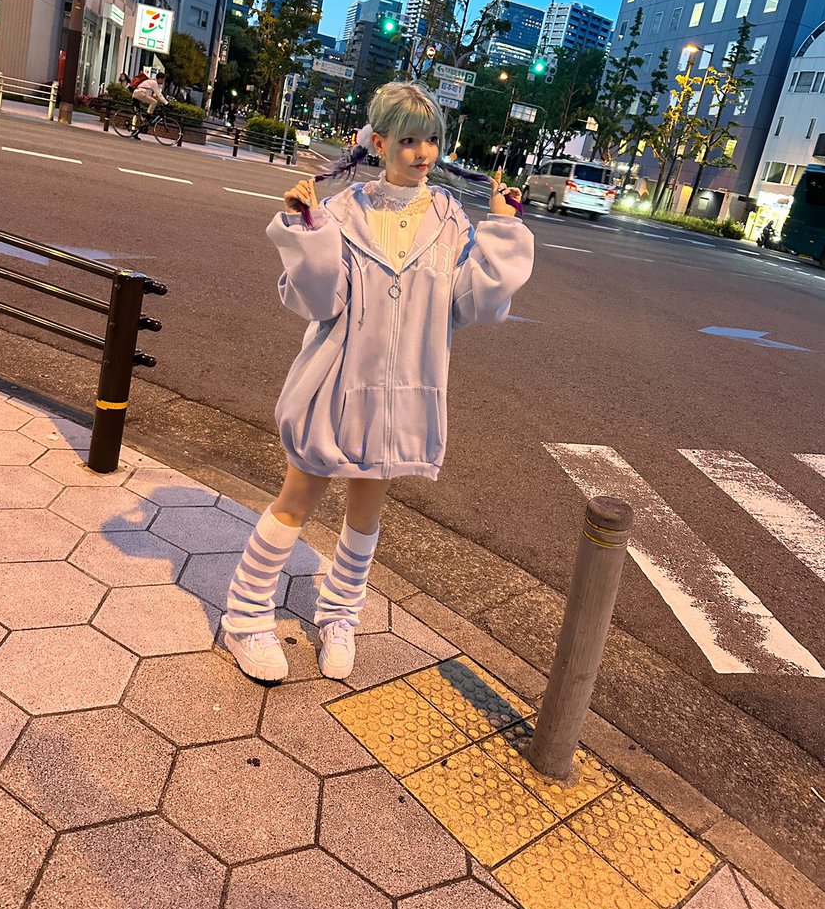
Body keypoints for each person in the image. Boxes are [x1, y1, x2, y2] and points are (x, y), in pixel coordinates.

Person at [222, 81, 534, 683]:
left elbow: (470, 305)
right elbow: (320, 301)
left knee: (367, 512)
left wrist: (500, 230)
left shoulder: (449, 218)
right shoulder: (345, 210)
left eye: (432, 139)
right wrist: (310, 229)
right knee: (297, 499)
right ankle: (245, 616)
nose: (423, 153)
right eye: (410, 140)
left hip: (405, 390)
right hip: (337, 381)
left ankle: (340, 615)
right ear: (380, 141)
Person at [130, 71, 168, 138]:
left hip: (138, 94)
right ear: (160, 79)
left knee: (139, 115)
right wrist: (166, 103)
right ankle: (148, 116)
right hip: (139, 94)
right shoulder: (154, 83)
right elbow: (159, 94)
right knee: (154, 102)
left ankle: (135, 132)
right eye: (163, 80)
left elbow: (156, 94)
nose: (163, 82)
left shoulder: (152, 82)